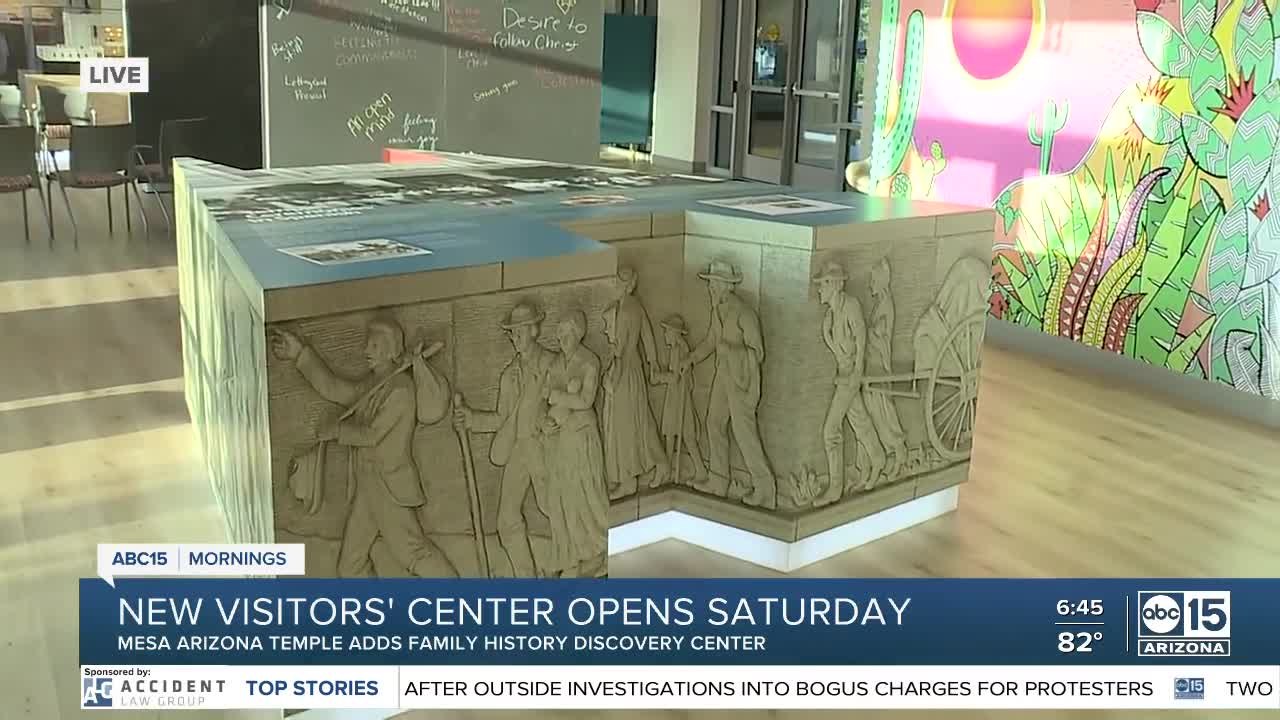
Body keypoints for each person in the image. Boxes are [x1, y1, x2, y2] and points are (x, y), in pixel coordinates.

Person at [271, 317, 450, 577]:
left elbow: (373, 435)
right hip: (368, 488)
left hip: (389, 489)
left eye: (375, 346)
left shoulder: (401, 390)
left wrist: (337, 431)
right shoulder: (372, 387)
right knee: (350, 565)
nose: (367, 350)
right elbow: (333, 388)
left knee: (413, 553)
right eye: (368, 344)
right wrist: (300, 353)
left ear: (391, 351)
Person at [452, 302, 555, 578]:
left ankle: (574, 566)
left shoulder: (551, 363)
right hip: (518, 449)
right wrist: (471, 418)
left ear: (533, 330)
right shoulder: (509, 375)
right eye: (512, 332)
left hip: (545, 448)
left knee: (552, 508)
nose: (515, 337)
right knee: (506, 520)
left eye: (519, 330)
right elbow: (501, 418)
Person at [681, 260, 776, 509]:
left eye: (713, 283)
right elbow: (712, 340)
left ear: (725, 286)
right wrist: (690, 359)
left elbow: (758, 352)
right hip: (723, 377)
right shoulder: (718, 311)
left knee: (745, 433)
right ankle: (719, 480)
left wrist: (730, 350)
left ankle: (765, 489)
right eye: (710, 283)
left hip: (741, 381)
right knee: (714, 423)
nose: (710, 288)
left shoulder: (744, 314)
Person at [540, 311, 609, 577]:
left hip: (582, 437)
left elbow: (585, 401)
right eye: (559, 335)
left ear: (578, 333)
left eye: (566, 334)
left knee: (587, 495)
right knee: (563, 498)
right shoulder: (556, 364)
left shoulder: (589, 361)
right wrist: (548, 421)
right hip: (561, 439)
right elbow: (548, 397)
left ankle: (599, 549)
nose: (561, 339)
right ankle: (571, 558)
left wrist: (558, 397)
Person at [813, 261, 885, 507]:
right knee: (860, 421)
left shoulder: (851, 306)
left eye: (822, 285)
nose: (819, 290)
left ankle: (835, 488)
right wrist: (828, 337)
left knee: (830, 431)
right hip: (844, 375)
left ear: (833, 285)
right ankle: (879, 459)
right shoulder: (830, 316)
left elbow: (862, 338)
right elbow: (839, 352)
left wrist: (856, 373)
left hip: (851, 377)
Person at [600, 268, 668, 493]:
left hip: (624, 372)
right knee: (640, 420)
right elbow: (647, 337)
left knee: (625, 426)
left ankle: (628, 480)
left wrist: (611, 378)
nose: (616, 286)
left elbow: (619, 349)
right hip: (634, 370)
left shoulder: (622, 310)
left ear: (626, 285)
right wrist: (653, 363)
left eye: (618, 283)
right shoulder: (636, 306)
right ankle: (660, 464)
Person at [652, 314, 708, 484]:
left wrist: (659, 377)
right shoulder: (677, 348)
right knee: (670, 434)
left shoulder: (679, 349)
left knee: (687, 436)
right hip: (674, 397)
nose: (665, 336)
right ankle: (667, 469)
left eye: (667, 332)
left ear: (674, 333)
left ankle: (700, 470)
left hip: (679, 400)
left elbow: (675, 377)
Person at [865, 259, 907, 481]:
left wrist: (866, 331)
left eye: (873, 279)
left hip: (879, 367)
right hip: (872, 366)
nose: (870, 283)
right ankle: (892, 455)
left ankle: (899, 452)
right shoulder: (880, 304)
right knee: (874, 410)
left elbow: (880, 334)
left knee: (884, 409)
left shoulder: (886, 304)